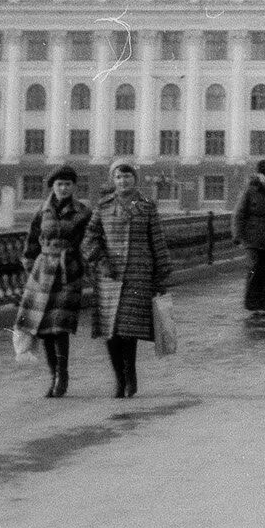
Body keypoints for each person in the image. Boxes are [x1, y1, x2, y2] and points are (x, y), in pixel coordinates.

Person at [82, 159, 172, 399]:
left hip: (138, 274)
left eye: (128, 176)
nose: (123, 181)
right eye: (119, 177)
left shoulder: (146, 207)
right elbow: (89, 240)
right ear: (113, 180)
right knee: (110, 330)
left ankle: (129, 373)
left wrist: (161, 274)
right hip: (109, 276)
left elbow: (158, 241)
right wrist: (102, 262)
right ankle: (119, 379)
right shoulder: (103, 206)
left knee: (128, 329)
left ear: (135, 179)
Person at [13, 164, 91, 398]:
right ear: (52, 186)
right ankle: (53, 374)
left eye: (68, 184)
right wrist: (30, 265)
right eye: (59, 184)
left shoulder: (82, 212)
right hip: (43, 271)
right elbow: (31, 242)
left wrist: (81, 266)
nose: (63, 188)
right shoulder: (42, 211)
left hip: (68, 272)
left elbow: (88, 242)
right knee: (44, 328)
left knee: (60, 326)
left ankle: (61, 376)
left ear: (74, 187)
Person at [231, 158, 265, 322]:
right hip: (251, 238)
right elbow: (239, 214)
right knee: (254, 269)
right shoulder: (250, 191)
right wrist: (237, 235)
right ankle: (253, 305)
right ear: (259, 175)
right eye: (264, 175)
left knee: (264, 272)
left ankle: (261, 306)